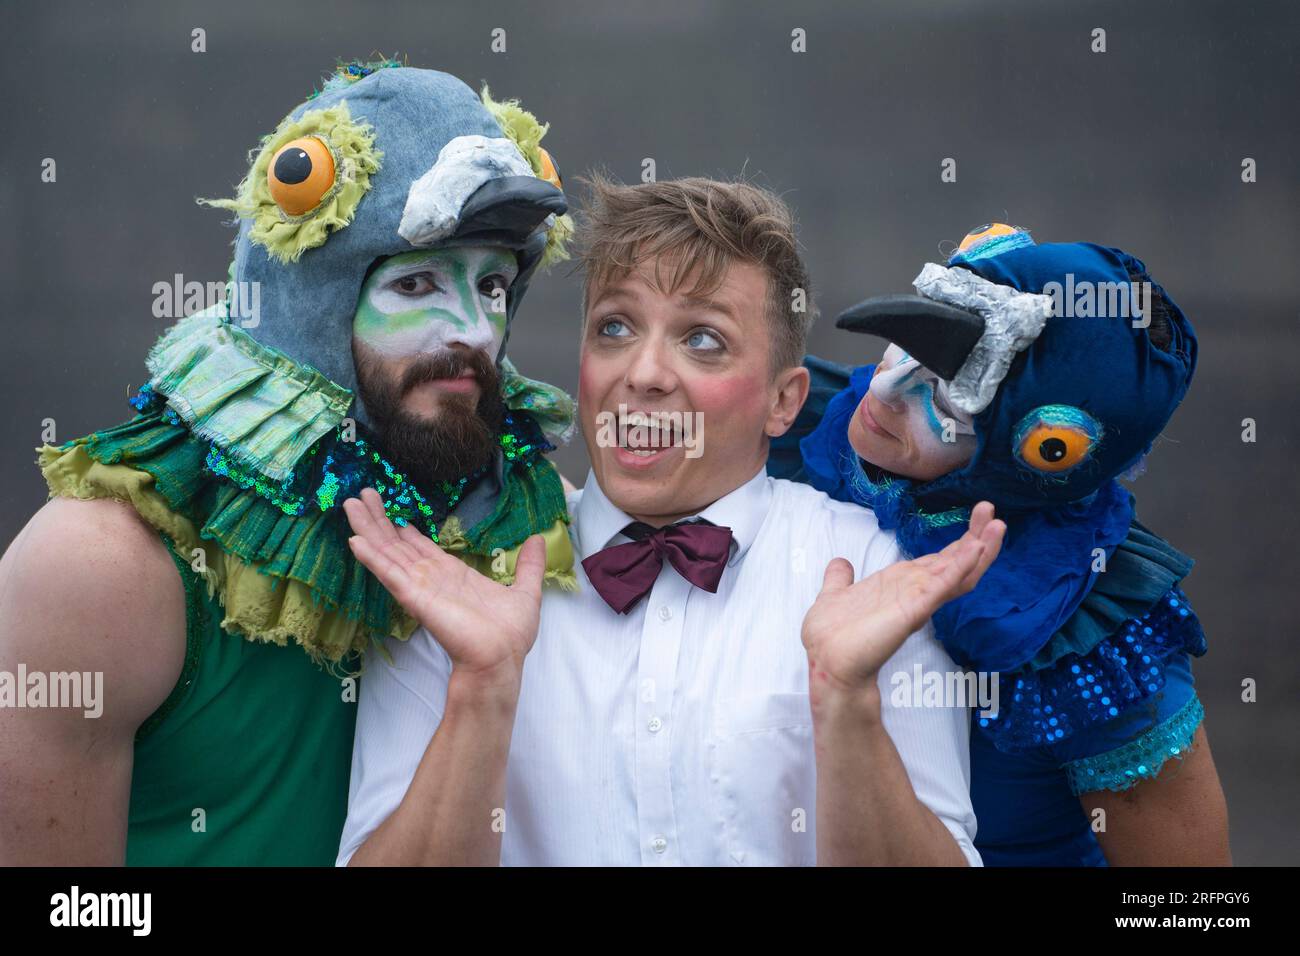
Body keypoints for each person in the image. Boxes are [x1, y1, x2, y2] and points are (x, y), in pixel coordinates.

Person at [0, 60, 577, 865]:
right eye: (415, 283)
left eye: (491, 286)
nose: (475, 333)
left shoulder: (528, 526)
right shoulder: (103, 566)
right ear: (315, 310)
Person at [336, 176, 1006, 867]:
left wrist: (848, 699)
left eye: (703, 340)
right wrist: (480, 685)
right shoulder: (459, 573)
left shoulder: (875, 569)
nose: (645, 372)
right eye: (615, 328)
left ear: (784, 402)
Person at [771, 223, 1231, 865]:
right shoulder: (810, 424)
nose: (880, 391)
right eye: (903, 350)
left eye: (945, 405)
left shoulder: (1090, 643)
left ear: (1027, 460)